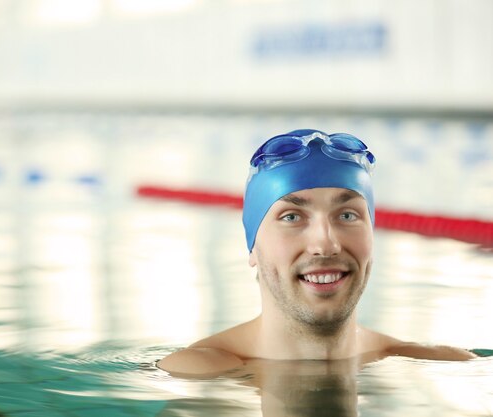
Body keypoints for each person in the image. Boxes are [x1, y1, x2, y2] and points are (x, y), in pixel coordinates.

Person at [158, 129, 476, 376]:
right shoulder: (197, 374)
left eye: (348, 215)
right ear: (253, 245)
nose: (326, 244)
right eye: (292, 217)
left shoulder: (445, 366)